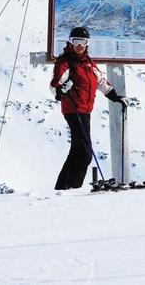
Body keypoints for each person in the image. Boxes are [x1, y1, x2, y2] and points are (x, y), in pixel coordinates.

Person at [50, 26, 126, 190]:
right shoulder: (65, 61)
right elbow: (55, 84)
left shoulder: (89, 64)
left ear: (87, 44)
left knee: (78, 150)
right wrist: (60, 90)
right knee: (85, 152)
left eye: (83, 42)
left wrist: (117, 98)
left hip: (85, 111)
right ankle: (72, 187)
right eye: (76, 41)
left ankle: (63, 188)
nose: (79, 46)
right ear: (70, 42)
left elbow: (101, 83)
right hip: (73, 109)